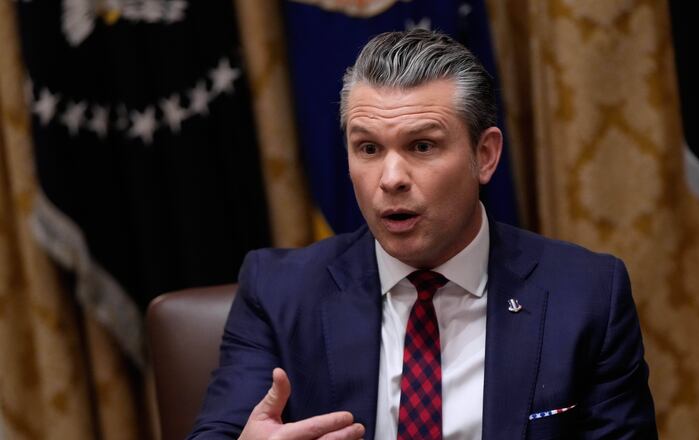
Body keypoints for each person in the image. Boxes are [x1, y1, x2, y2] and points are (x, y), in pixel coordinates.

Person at [188, 29, 657, 439]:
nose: (390, 178)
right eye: (368, 148)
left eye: (422, 146)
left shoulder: (588, 295)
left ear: (486, 155)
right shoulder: (277, 291)